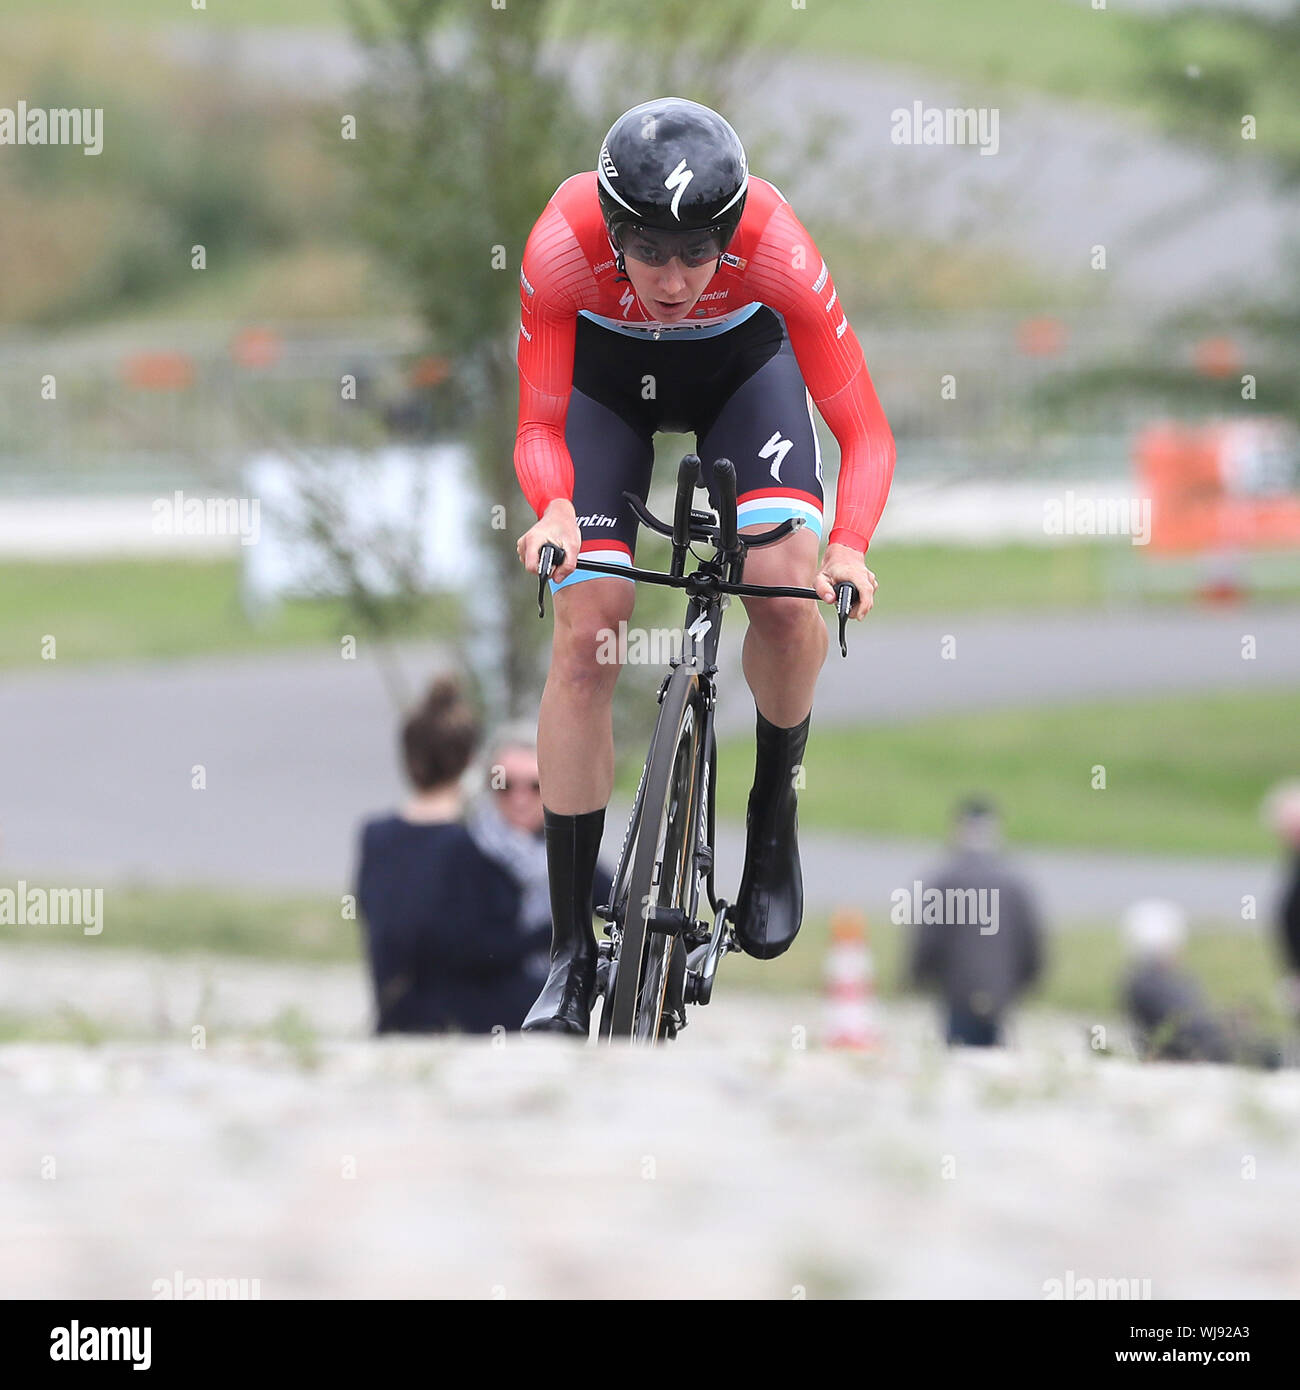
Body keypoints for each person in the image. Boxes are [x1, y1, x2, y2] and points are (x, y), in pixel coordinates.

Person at [513, 97, 896, 1034]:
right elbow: (537, 425)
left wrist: (849, 543)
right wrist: (554, 507)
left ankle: (772, 815)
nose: (675, 279)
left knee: (781, 585)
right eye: (648, 251)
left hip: (742, 372)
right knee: (586, 628)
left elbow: (865, 431)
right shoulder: (562, 245)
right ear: (612, 231)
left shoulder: (775, 246)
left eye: (697, 253)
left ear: (730, 232)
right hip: (607, 380)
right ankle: (572, 951)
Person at [355, 677, 551, 1034]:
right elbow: (480, 950)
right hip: (459, 1023)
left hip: (392, 1017)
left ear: (408, 758)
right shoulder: (468, 847)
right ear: (470, 762)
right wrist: (554, 934)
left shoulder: (374, 836)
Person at [465, 724, 614, 1003]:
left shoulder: (567, 853)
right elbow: (471, 951)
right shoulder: (466, 849)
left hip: (548, 1011)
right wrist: (560, 932)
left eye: (535, 787)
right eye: (507, 785)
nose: (520, 799)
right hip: (479, 1019)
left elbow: (619, 903)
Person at [908, 798, 1044, 1047]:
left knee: (958, 1057)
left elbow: (929, 937)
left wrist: (917, 975)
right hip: (1001, 992)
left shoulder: (946, 879)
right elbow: (1030, 939)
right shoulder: (1014, 883)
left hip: (957, 991)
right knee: (994, 1054)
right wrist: (1027, 980)